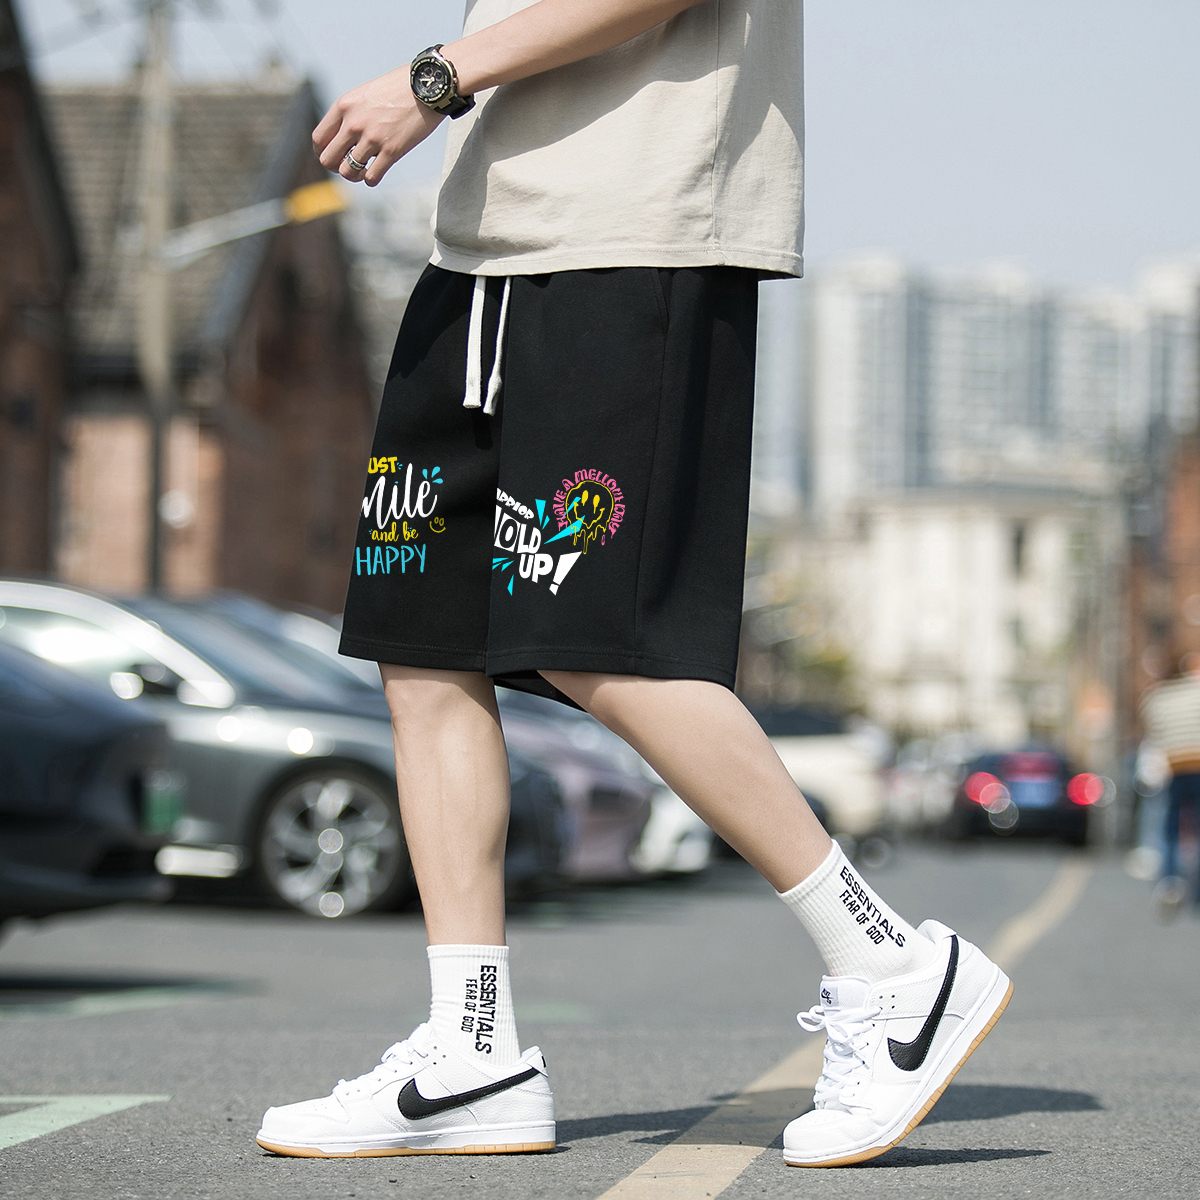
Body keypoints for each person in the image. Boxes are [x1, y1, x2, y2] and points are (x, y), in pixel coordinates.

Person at [255, 0, 1012, 1169]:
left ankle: (891, 962)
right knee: (424, 643)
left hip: (630, 240)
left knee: (597, 636)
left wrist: (436, 77)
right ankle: (472, 1051)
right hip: (482, 251)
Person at [1140, 653, 1200, 921]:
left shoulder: (1157, 698)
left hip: (1175, 768)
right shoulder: (1196, 694)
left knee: (1170, 829)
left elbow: (1154, 733)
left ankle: (1170, 882)